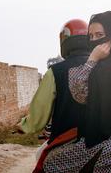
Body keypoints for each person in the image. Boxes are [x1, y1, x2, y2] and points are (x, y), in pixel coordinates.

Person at [42, 11, 111, 173]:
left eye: (99, 35)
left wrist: (91, 59)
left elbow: (79, 93)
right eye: (90, 36)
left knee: (50, 164)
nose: (94, 41)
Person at [17, 19, 90, 171]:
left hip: (67, 139)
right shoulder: (105, 66)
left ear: (64, 41)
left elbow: (39, 114)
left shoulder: (55, 72)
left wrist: (24, 125)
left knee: (41, 156)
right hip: (104, 138)